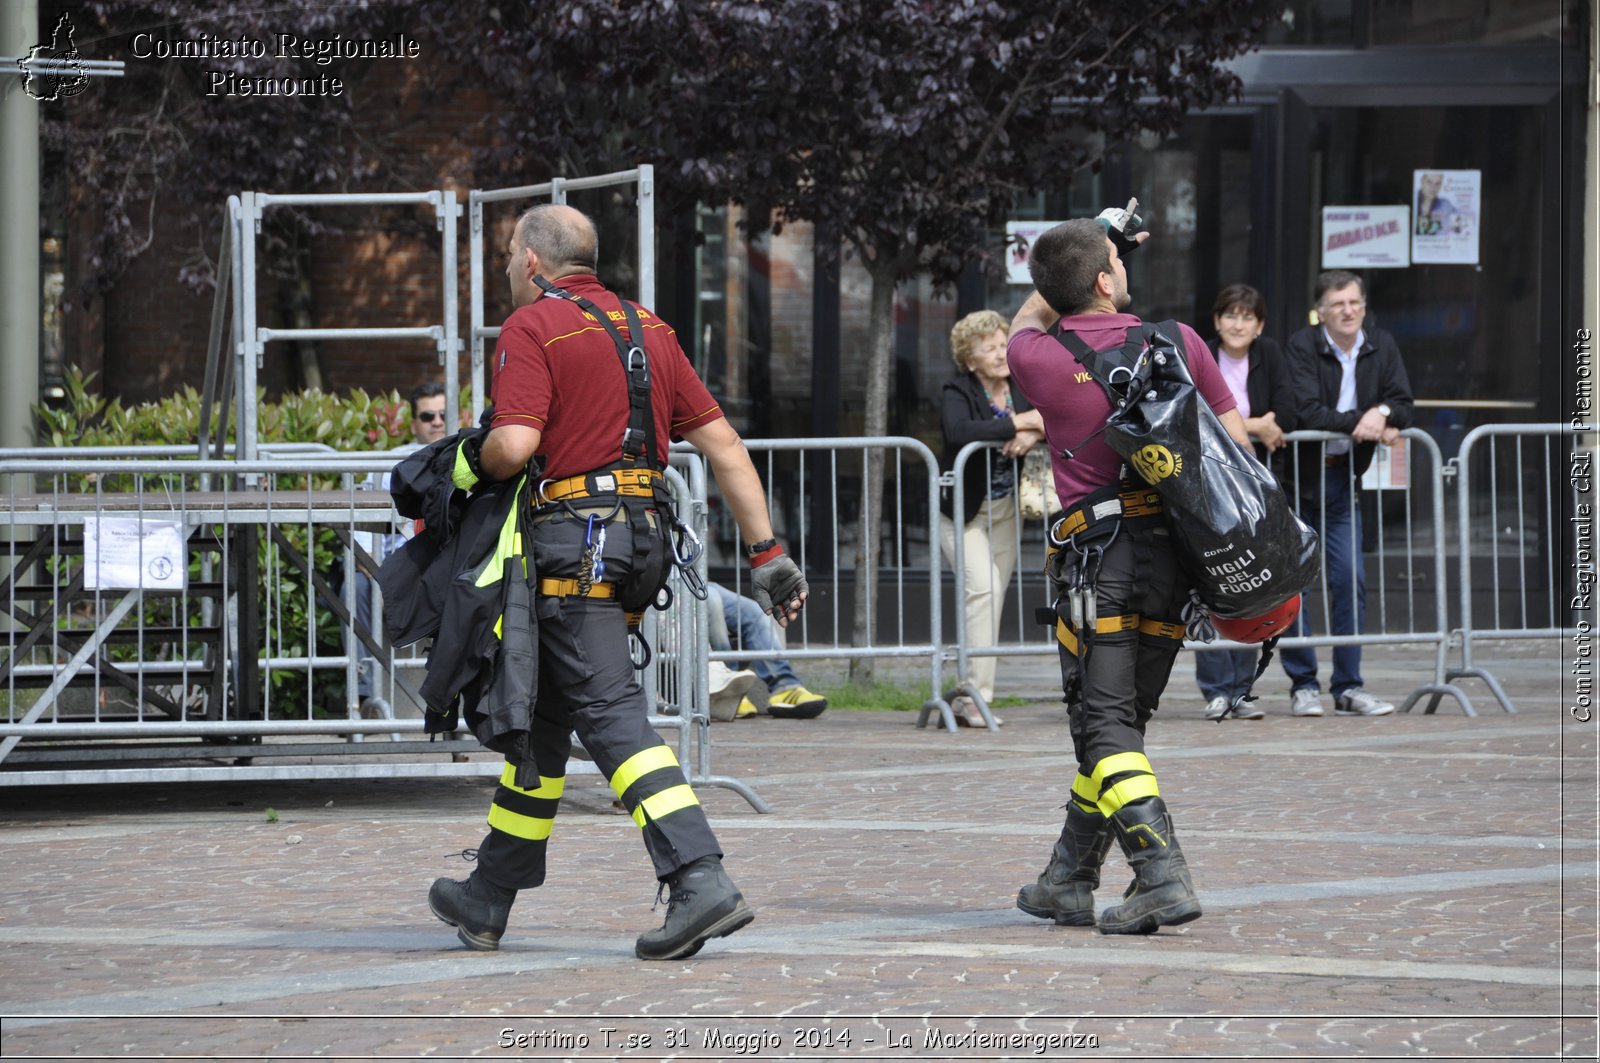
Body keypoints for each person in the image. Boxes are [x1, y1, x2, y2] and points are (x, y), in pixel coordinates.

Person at [427, 204, 806, 960]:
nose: (507, 266)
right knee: (545, 715)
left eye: (508, 253)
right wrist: (769, 554)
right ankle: (490, 892)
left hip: (576, 546)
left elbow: (516, 442)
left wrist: (461, 462)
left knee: (608, 710)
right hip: (640, 540)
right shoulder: (650, 329)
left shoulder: (534, 326)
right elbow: (724, 445)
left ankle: (699, 875)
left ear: (534, 261)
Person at [1006, 217, 1252, 935]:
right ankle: (1068, 876)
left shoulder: (1039, 358)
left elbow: (1032, 310)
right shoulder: (1180, 340)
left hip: (1098, 558)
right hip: (1174, 561)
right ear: (1108, 281)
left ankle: (1161, 873)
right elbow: (1235, 448)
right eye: (1116, 259)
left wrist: (1094, 243)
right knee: (1121, 724)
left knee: (1106, 724)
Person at [1280, 270, 1413, 717]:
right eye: (1338, 304)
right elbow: (1304, 410)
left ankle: (1349, 685)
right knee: (1295, 582)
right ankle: (1303, 684)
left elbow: (1404, 401)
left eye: (1355, 302)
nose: (1349, 311)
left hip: (1340, 481)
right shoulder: (1303, 346)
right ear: (1321, 311)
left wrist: (1383, 410)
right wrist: (1366, 422)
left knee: (1349, 580)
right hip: (1298, 480)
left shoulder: (1380, 344)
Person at [938, 309, 1046, 728]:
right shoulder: (957, 388)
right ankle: (975, 697)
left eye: (1004, 344)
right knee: (980, 590)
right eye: (990, 348)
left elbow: (1056, 417)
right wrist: (1019, 423)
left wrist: (1034, 431)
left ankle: (970, 690)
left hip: (1005, 512)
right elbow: (958, 430)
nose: (1001, 354)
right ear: (970, 359)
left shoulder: (1023, 385)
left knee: (991, 599)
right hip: (962, 513)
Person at [1193, 284, 1295, 721]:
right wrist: (1252, 425)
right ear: (1217, 321)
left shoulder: (1269, 355)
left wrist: (1256, 426)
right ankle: (1216, 689)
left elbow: (1290, 410)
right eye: (1230, 315)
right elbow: (1195, 411)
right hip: (1208, 486)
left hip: (1257, 490)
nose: (1238, 323)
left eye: (1248, 316)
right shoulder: (1199, 354)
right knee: (1216, 579)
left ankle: (1242, 690)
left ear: (1260, 325)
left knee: (1253, 583)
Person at [349, 382, 452, 722]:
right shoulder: (388, 464)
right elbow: (361, 540)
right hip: (396, 565)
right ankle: (364, 698)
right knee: (355, 587)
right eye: (428, 415)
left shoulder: (472, 455)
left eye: (443, 414)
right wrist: (383, 577)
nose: (437, 422)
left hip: (450, 567)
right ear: (414, 424)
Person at [708, 582, 828, 719]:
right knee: (710, 601)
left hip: (694, 577)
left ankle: (785, 686)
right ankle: (728, 692)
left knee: (756, 612)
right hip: (681, 586)